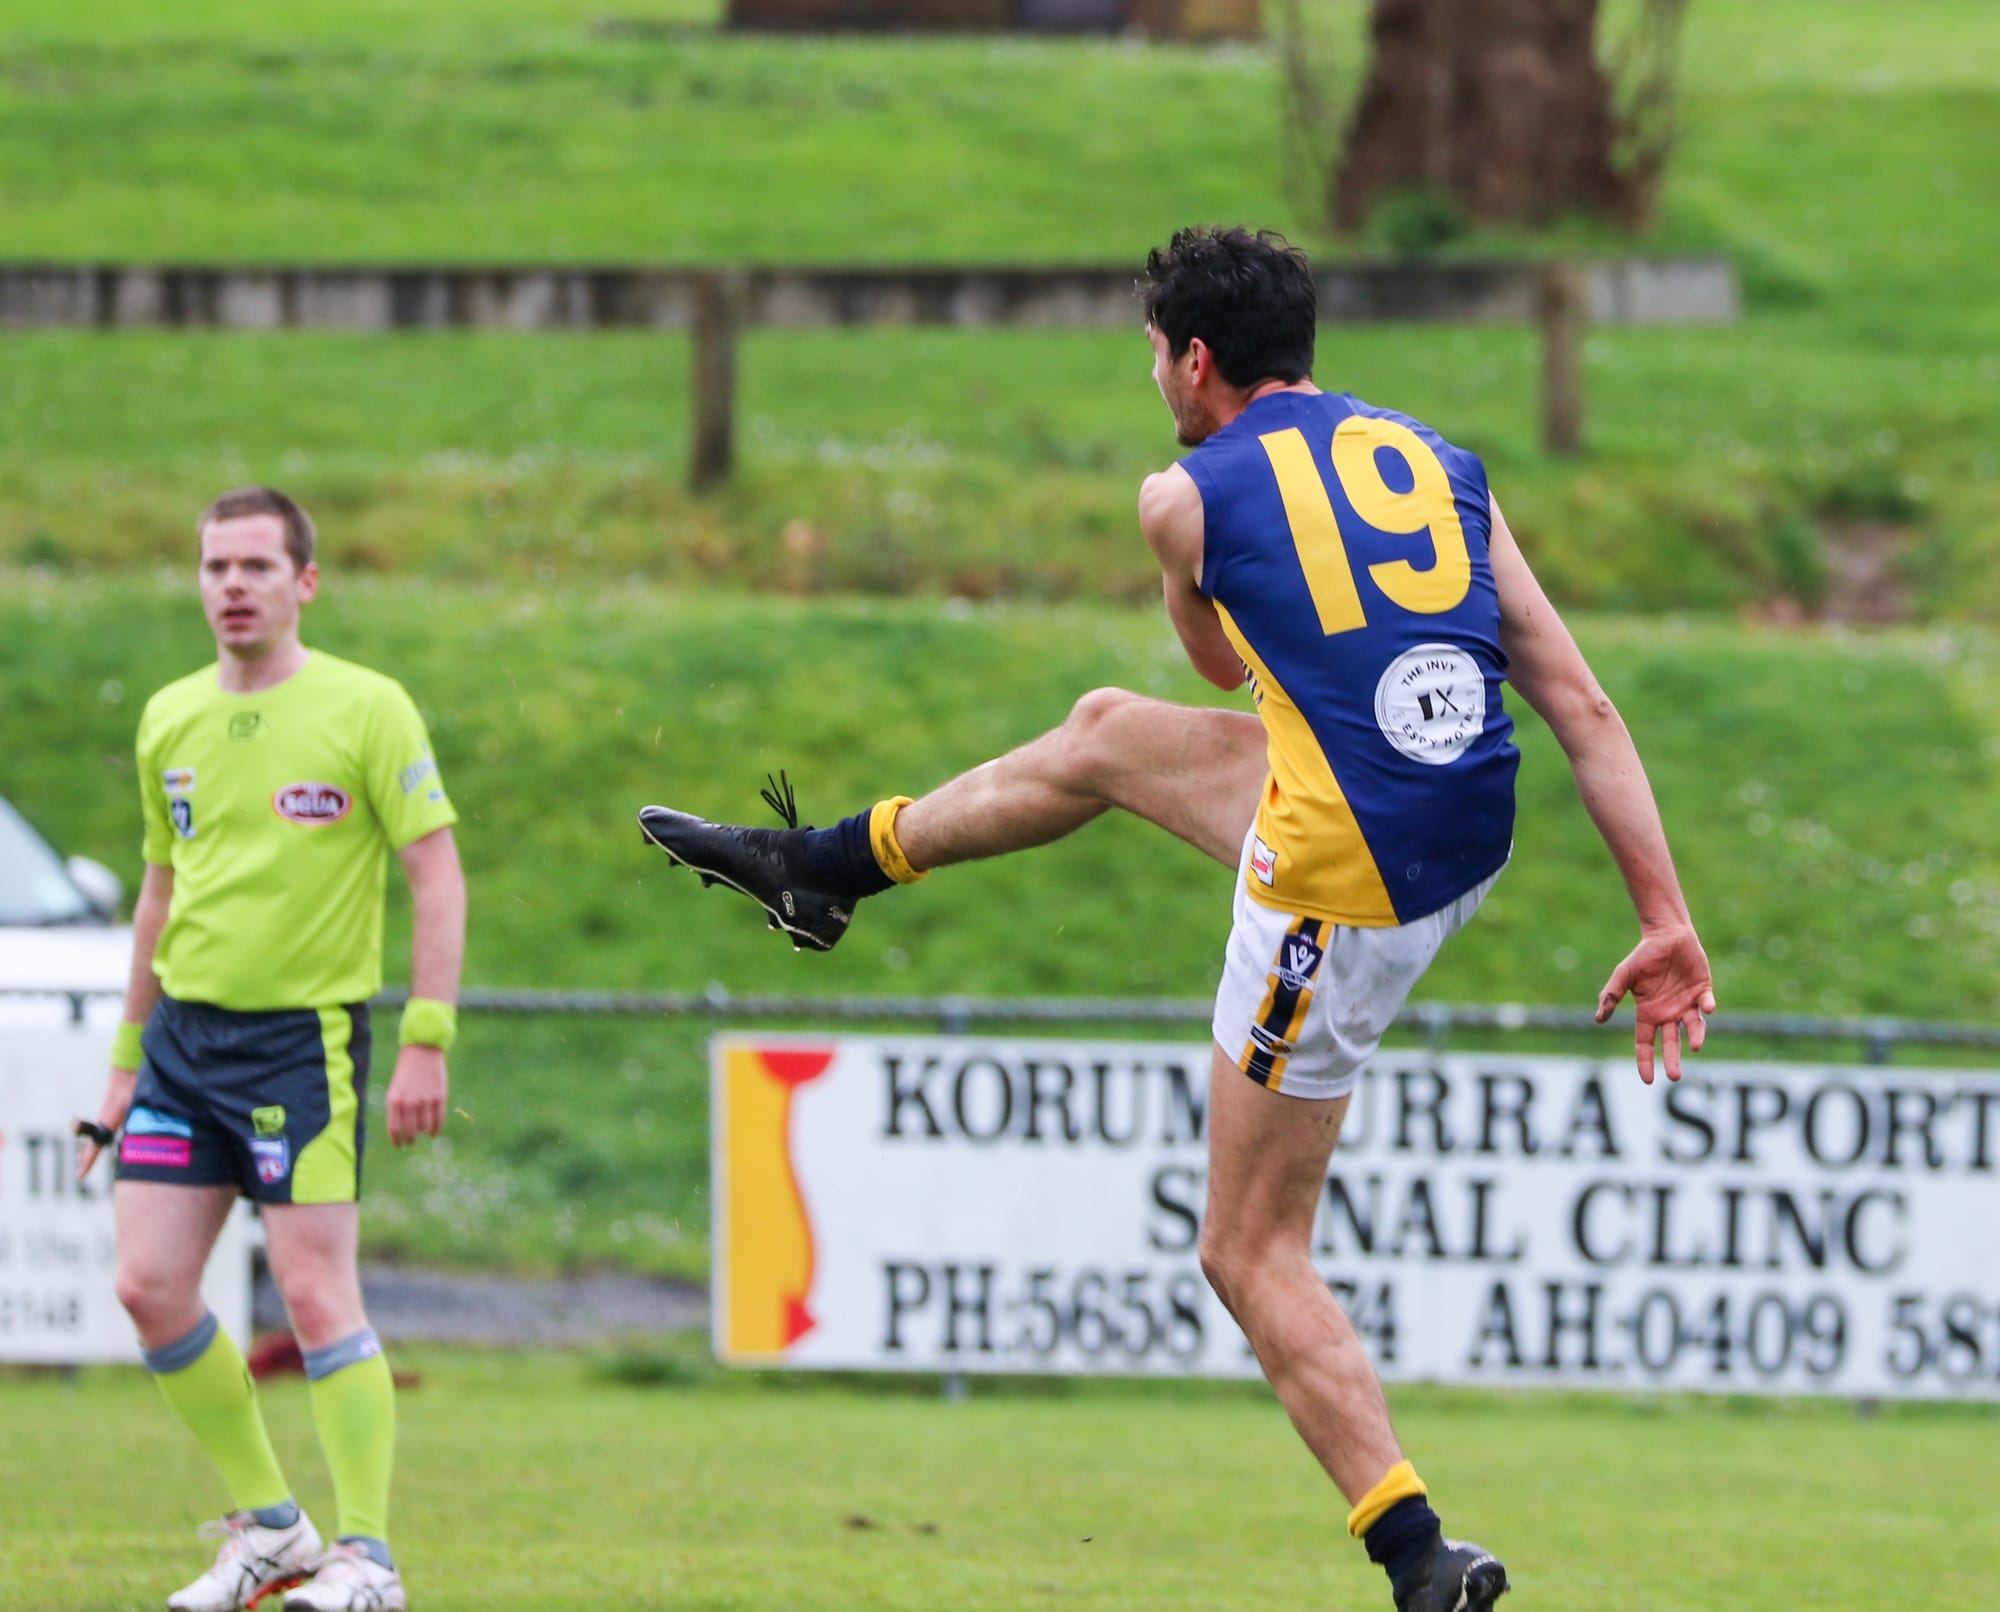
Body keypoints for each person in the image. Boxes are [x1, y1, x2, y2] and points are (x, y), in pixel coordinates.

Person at [638, 226, 1715, 1612]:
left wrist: (1211, 577)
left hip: (1341, 886)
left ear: (1194, 360)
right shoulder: (1436, 461)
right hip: (1465, 824)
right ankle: (827, 866)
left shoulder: (1182, 495)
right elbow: (1581, 702)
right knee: (1106, 735)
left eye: (1153, 352)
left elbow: (1214, 655)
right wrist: (1665, 917)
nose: (1152, 375)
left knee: (1245, 1246)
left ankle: (1420, 1558)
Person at [76, 486, 466, 1612]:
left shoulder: (367, 707)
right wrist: (124, 1061)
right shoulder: (169, 717)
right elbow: (158, 893)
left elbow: (437, 876)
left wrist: (426, 1037)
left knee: (314, 1295)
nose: (233, 586)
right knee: (149, 1286)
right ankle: (275, 1529)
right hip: (181, 1044)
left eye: (255, 566)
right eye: (216, 567)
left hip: (302, 1044)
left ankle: (370, 1558)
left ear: (305, 581)